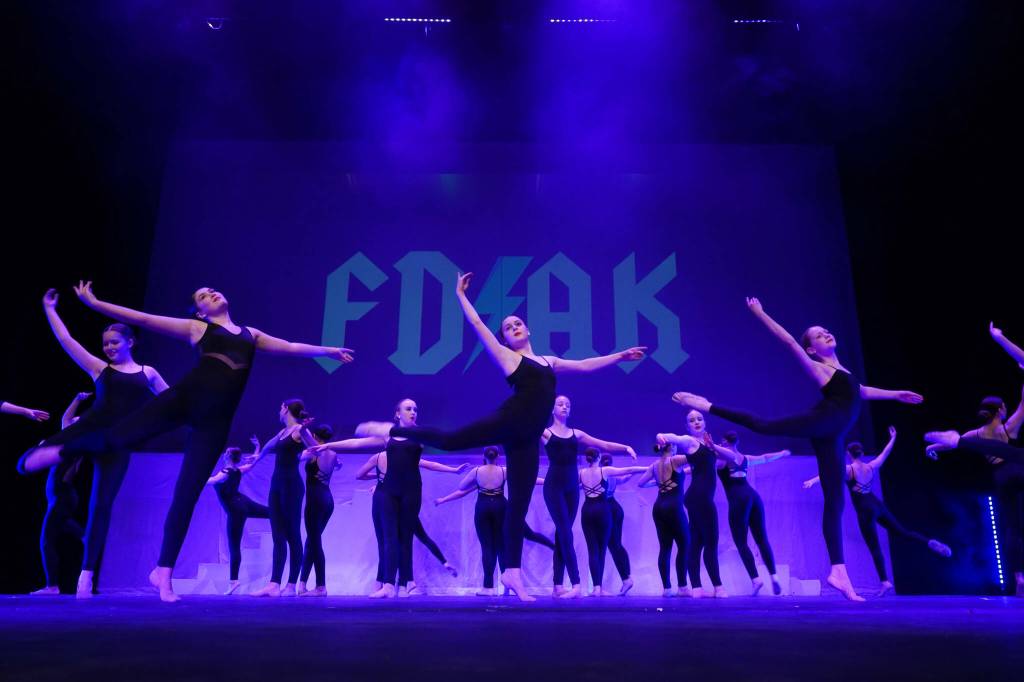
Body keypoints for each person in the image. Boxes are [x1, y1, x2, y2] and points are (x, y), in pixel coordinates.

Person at [18, 283, 354, 602]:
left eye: (211, 291)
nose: (210, 294)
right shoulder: (199, 330)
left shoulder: (252, 335)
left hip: (215, 422)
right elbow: (144, 319)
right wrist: (95, 304)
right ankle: (64, 449)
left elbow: (292, 348)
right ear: (201, 312)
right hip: (183, 399)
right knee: (122, 435)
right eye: (203, 296)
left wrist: (328, 350)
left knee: (187, 495)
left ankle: (162, 573)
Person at [354, 271, 645, 601]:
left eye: (517, 323)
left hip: (527, 439)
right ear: (506, 339)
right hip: (508, 421)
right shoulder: (509, 357)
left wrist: (619, 356)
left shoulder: (548, 361)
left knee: (517, 506)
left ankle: (512, 573)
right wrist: (461, 296)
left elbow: (584, 365)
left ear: (528, 328)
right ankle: (392, 430)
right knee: (450, 440)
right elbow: (479, 327)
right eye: (507, 328)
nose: (514, 328)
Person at [672, 297, 923, 601]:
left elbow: (861, 392)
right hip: (823, 422)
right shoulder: (820, 369)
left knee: (835, 499)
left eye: (826, 331)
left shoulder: (845, 373)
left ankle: (838, 571)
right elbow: (790, 342)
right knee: (764, 425)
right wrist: (761, 313)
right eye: (818, 335)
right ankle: (707, 405)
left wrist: (896, 394)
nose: (826, 333)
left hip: (834, 435)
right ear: (812, 350)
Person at [38, 288, 168, 597]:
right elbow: (67, 341)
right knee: (56, 457)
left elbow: (171, 401)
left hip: (118, 445)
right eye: (105, 344)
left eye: (114, 342)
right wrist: (50, 310)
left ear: (130, 342)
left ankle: (86, 574)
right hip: (91, 436)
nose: (108, 348)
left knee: (101, 506)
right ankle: (42, 454)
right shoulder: (99, 369)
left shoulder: (147, 373)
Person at [806, 426, 953, 596]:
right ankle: (928, 542)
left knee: (874, 546)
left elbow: (829, 474)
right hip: (877, 505)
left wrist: (812, 481)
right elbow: (885, 454)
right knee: (903, 531)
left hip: (864, 510)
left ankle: (885, 581)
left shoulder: (849, 470)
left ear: (849, 454)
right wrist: (893, 438)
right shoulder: (870, 466)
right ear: (861, 453)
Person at [927, 391, 1023, 596]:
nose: (1006, 409)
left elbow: (952, 444)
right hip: (1018, 469)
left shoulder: (976, 435)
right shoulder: (1008, 427)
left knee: (1013, 528)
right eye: (1004, 406)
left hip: (1001, 478)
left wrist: (931, 448)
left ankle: (1019, 577)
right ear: (1000, 410)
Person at [542, 395, 638, 598]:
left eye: (568, 404)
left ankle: (557, 585)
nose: (564, 407)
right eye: (560, 404)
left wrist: (625, 447)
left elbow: (603, 444)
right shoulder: (546, 433)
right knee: (566, 532)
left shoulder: (576, 433)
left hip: (571, 488)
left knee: (562, 534)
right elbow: (524, 430)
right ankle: (576, 584)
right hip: (554, 487)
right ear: (552, 409)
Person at [434, 447, 551, 596]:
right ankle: (507, 586)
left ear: (484, 456)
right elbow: (528, 480)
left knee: (487, 548)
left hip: (483, 508)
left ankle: (488, 588)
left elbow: (461, 488)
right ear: (498, 457)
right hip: (501, 507)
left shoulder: (477, 471)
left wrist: (444, 499)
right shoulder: (503, 470)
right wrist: (548, 481)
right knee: (502, 547)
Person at [250, 400, 318, 598]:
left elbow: (315, 448)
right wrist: (252, 461)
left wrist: (305, 432)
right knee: (277, 535)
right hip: (276, 486)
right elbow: (266, 450)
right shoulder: (281, 434)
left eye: (280, 407)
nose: (278, 411)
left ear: (286, 408)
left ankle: (290, 584)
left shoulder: (298, 430)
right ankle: (274, 584)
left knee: (292, 535)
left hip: (291, 487)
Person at [710, 431, 790, 596]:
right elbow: (766, 457)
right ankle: (774, 577)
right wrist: (781, 454)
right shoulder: (744, 458)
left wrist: (682, 469)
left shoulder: (723, 461)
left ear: (725, 442)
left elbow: (701, 468)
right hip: (753, 497)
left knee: (741, 542)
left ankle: (756, 579)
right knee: (762, 539)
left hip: (738, 500)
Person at [30, 393, 89, 595]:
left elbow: (66, 420)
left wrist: (43, 450)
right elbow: (66, 419)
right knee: (81, 535)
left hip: (62, 497)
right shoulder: (69, 445)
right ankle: (90, 539)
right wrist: (78, 399)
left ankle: (52, 586)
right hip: (61, 497)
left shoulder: (73, 447)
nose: (69, 423)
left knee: (46, 540)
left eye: (74, 422)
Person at [635, 436, 700, 596]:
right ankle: (683, 587)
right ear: (672, 448)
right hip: (674, 507)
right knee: (685, 545)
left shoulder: (654, 465)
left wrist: (658, 483)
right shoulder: (675, 460)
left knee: (665, 548)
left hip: (659, 507)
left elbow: (641, 483)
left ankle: (666, 588)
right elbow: (696, 456)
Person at [577, 448, 646, 596]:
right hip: (604, 510)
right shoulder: (606, 472)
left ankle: (603, 585)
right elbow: (628, 471)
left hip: (601, 510)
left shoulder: (589, 473)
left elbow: (626, 474)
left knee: (607, 547)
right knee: (608, 547)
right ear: (599, 459)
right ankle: (615, 582)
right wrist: (649, 468)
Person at [206, 436, 268, 595]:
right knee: (270, 512)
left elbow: (211, 481)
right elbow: (253, 464)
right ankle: (288, 514)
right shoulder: (238, 470)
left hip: (236, 510)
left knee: (234, 547)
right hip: (243, 503)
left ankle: (233, 581)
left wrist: (195, 473)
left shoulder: (225, 472)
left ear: (226, 457)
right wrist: (257, 448)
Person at [297, 424, 340, 596]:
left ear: (315, 435)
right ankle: (302, 584)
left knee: (315, 543)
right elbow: (338, 465)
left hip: (315, 501)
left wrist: (303, 426)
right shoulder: (333, 453)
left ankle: (321, 586)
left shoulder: (316, 449)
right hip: (327, 500)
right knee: (312, 542)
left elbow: (301, 432)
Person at [599, 453, 642, 595]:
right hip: (615, 508)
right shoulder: (613, 475)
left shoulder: (600, 474)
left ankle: (599, 585)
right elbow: (625, 477)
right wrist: (634, 468)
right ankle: (626, 578)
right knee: (615, 545)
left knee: (606, 546)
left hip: (606, 508)